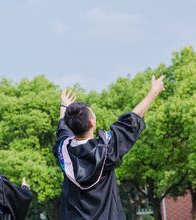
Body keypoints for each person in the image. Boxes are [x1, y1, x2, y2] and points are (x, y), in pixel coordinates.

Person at [54, 75, 165, 220]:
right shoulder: (106, 150)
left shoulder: (63, 150)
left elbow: (62, 129)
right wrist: (154, 91)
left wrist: (64, 106)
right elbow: (133, 119)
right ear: (92, 123)